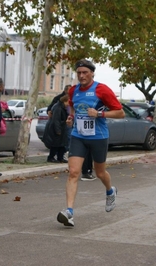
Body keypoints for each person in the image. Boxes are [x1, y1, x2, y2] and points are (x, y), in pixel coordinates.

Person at [56, 59, 125, 227]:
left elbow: (120, 113)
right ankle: (69, 212)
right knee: (73, 172)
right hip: (78, 135)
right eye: (79, 73)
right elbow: (72, 106)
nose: (81, 76)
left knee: (100, 173)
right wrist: (71, 117)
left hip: (98, 136)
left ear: (92, 73)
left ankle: (110, 191)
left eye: (85, 72)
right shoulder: (73, 90)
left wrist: (100, 114)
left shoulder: (101, 89)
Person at [43, 94, 70, 163]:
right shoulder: (58, 107)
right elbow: (56, 120)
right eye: (68, 102)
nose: (68, 105)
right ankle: (51, 157)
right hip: (56, 129)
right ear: (65, 101)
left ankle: (60, 157)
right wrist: (58, 130)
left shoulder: (62, 107)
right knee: (55, 145)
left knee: (62, 144)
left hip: (62, 128)